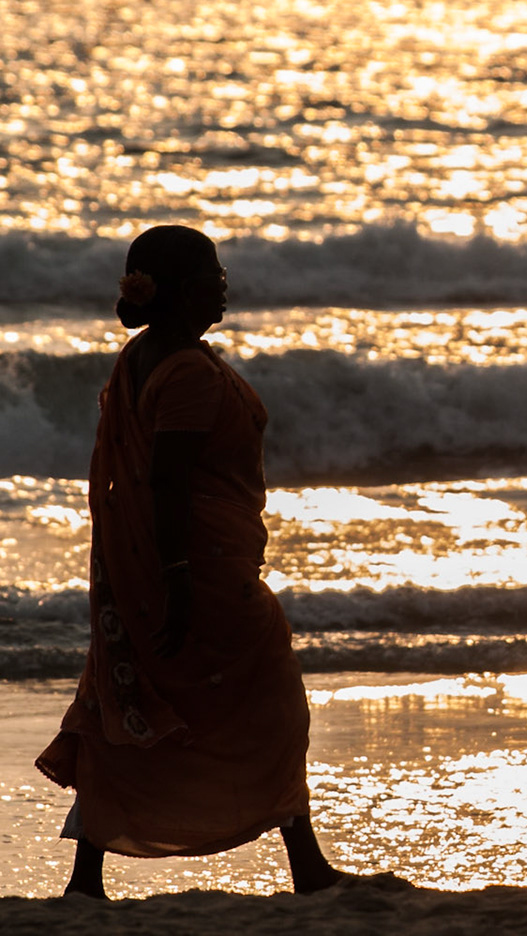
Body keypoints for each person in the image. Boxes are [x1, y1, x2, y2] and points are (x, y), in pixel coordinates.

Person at [36, 225, 343, 898]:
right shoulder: (189, 376)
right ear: (179, 293)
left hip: (150, 567)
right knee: (274, 702)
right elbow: (168, 483)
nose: (224, 285)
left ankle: (86, 878)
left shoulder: (141, 357)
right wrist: (177, 579)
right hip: (194, 573)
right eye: (212, 276)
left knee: (125, 707)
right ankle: (308, 868)